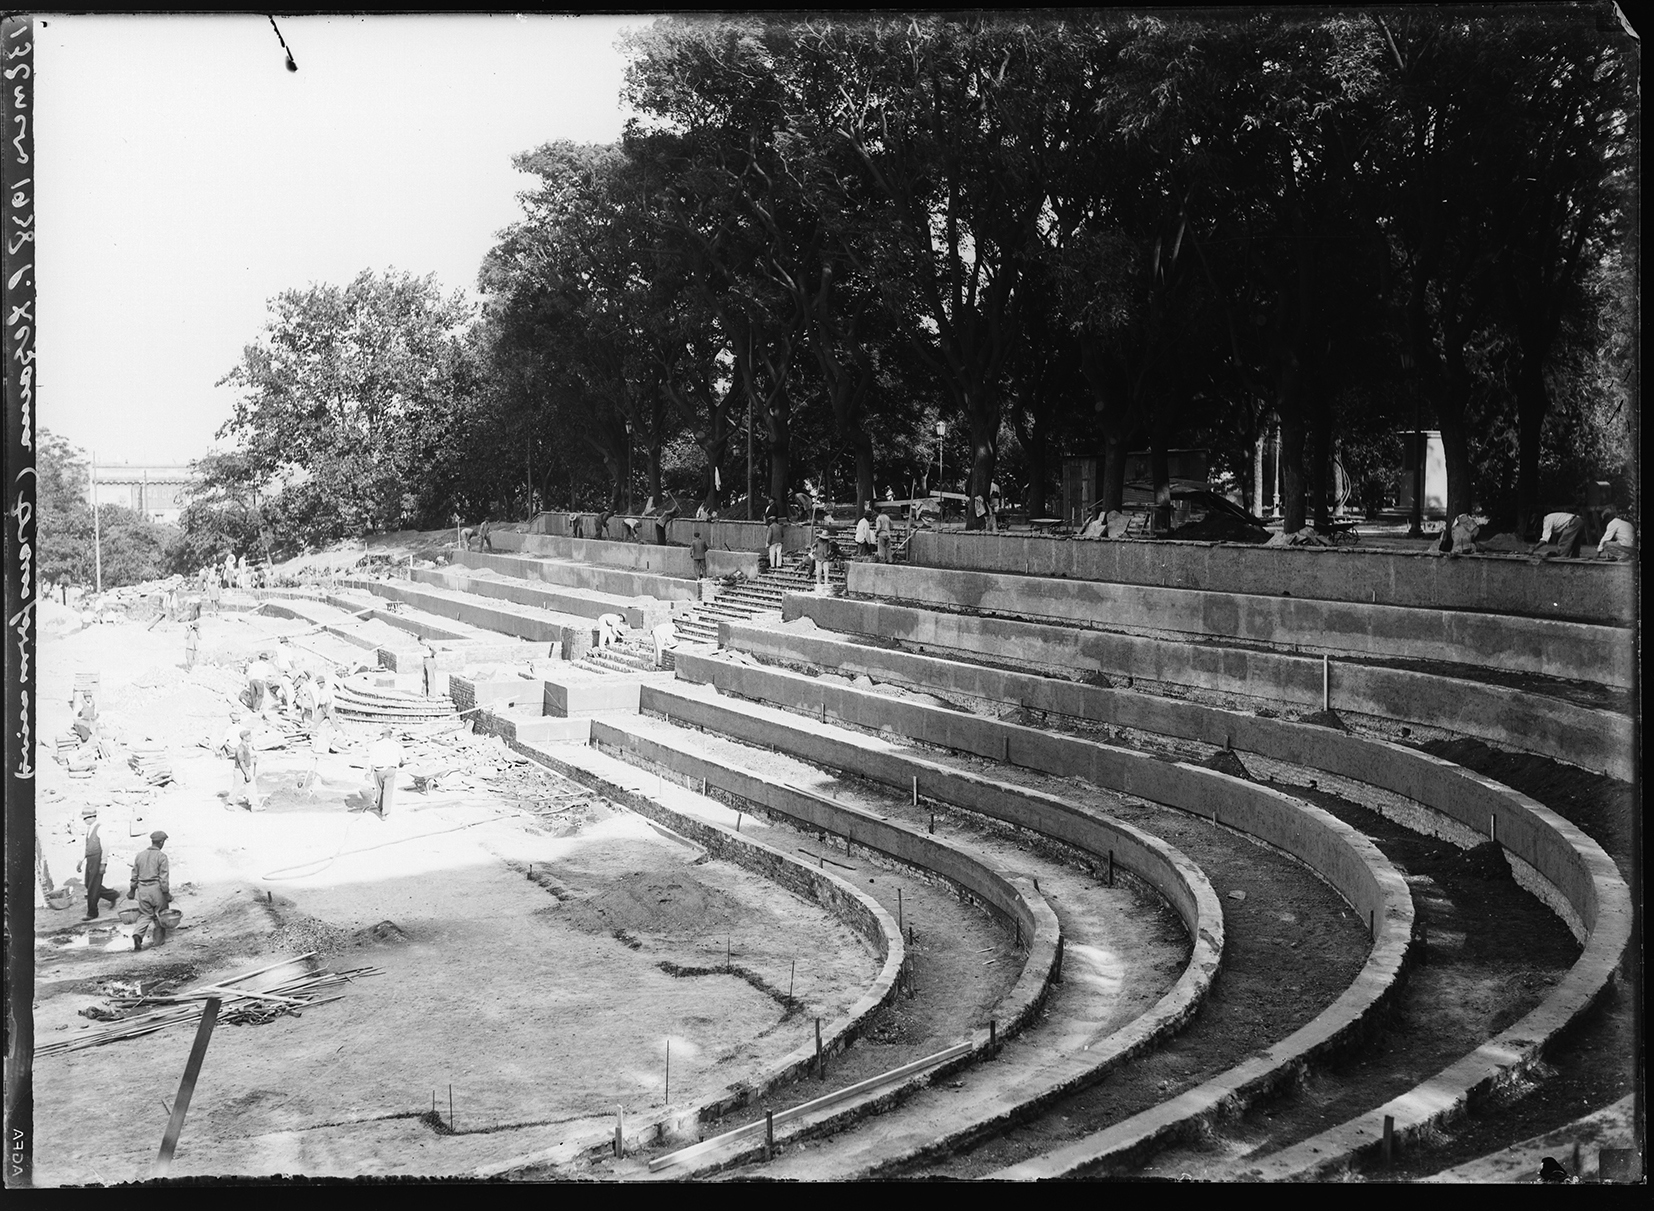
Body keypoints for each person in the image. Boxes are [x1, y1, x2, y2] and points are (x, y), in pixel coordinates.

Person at [128, 831, 171, 951]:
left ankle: (137, 935)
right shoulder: (161, 856)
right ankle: (158, 942)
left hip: (142, 889)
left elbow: (134, 875)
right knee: (160, 914)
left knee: (145, 914)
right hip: (156, 889)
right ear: (161, 842)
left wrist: (132, 890)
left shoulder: (140, 855)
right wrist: (166, 893)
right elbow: (163, 878)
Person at [77, 807, 120, 920]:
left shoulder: (101, 828)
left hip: (97, 859)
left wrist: (103, 863)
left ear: (92, 817)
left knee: (92, 887)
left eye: (86, 818)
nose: (84, 820)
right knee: (89, 884)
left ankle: (92, 913)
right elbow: (87, 846)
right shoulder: (89, 829)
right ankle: (112, 895)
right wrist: (81, 861)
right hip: (90, 860)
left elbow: (105, 847)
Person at [370, 729, 403, 818]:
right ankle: (385, 813)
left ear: (382, 735)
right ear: (390, 735)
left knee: (380, 790)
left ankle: (380, 808)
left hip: (379, 770)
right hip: (390, 770)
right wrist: (401, 763)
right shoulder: (396, 745)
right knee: (388, 791)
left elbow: (371, 760)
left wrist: (368, 772)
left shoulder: (376, 745)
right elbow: (404, 758)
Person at [183, 597, 201, 669]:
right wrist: (189, 630)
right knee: (189, 659)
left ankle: (193, 668)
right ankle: (189, 668)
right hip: (190, 647)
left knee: (195, 659)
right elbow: (185, 637)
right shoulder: (190, 631)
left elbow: (200, 637)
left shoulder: (196, 632)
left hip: (195, 647)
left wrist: (198, 631)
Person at [814, 522, 834, 586]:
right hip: (818, 558)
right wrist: (813, 550)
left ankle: (826, 583)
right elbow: (813, 547)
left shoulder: (827, 543)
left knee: (826, 571)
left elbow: (829, 549)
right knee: (818, 572)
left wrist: (828, 553)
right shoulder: (817, 541)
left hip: (825, 558)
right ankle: (819, 584)